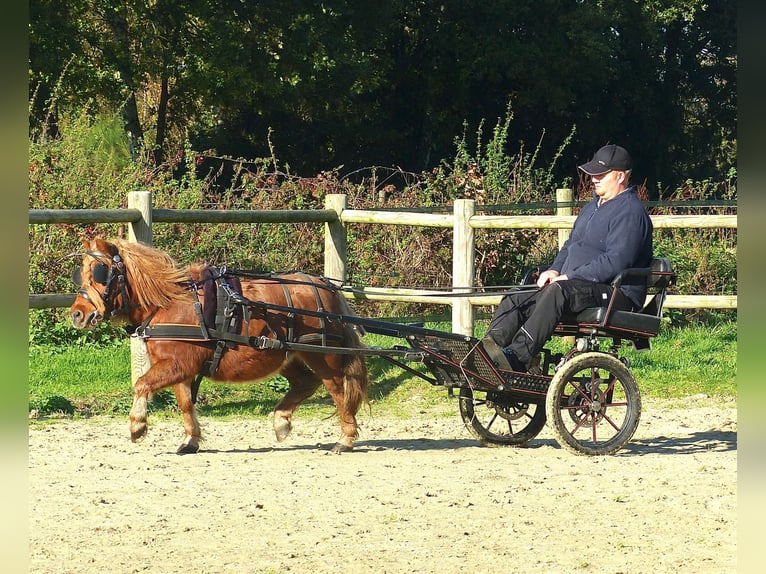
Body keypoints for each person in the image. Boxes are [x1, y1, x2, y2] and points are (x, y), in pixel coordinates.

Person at [482, 144, 654, 373]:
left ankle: (518, 356)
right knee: (519, 294)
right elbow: (571, 245)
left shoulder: (630, 213)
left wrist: (569, 276)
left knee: (558, 291)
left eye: (601, 174)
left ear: (620, 176)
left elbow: (616, 261)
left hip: (615, 292)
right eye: (593, 174)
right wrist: (554, 269)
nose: (594, 179)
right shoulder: (592, 207)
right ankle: (488, 351)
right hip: (578, 285)